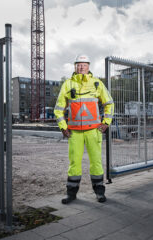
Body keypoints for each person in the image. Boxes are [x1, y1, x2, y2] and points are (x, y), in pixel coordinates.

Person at [54, 54, 114, 204]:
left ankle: (99, 192)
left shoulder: (97, 84)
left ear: (88, 66)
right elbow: (58, 108)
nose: (81, 67)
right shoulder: (67, 84)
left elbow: (109, 103)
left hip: (94, 131)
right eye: (78, 64)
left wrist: (106, 122)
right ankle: (71, 194)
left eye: (84, 64)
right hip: (74, 132)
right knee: (74, 163)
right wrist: (63, 127)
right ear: (75, 66)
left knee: (96, 162)